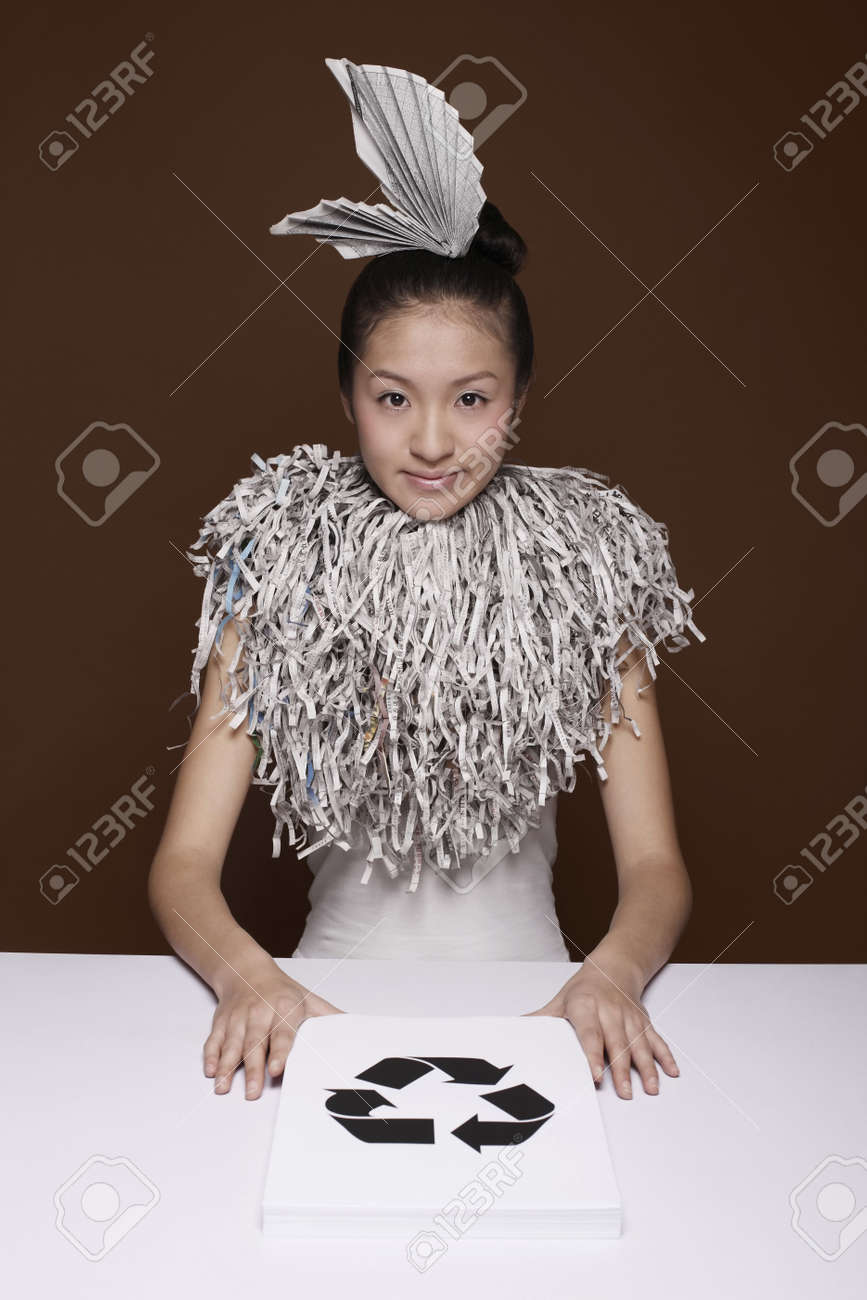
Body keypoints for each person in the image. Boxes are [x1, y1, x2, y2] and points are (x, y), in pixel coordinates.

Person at [147, 59, 703, 1107]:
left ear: (520, 398)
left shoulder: (586, 565)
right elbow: (182, 864)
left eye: (473, 398)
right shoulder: (280, 563)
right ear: (348, 393)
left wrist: (613, 977)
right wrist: (248, 977)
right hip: (318, 1008)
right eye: (393, 396)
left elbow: (656, 867)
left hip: (550, 1009)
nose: (434, 440)